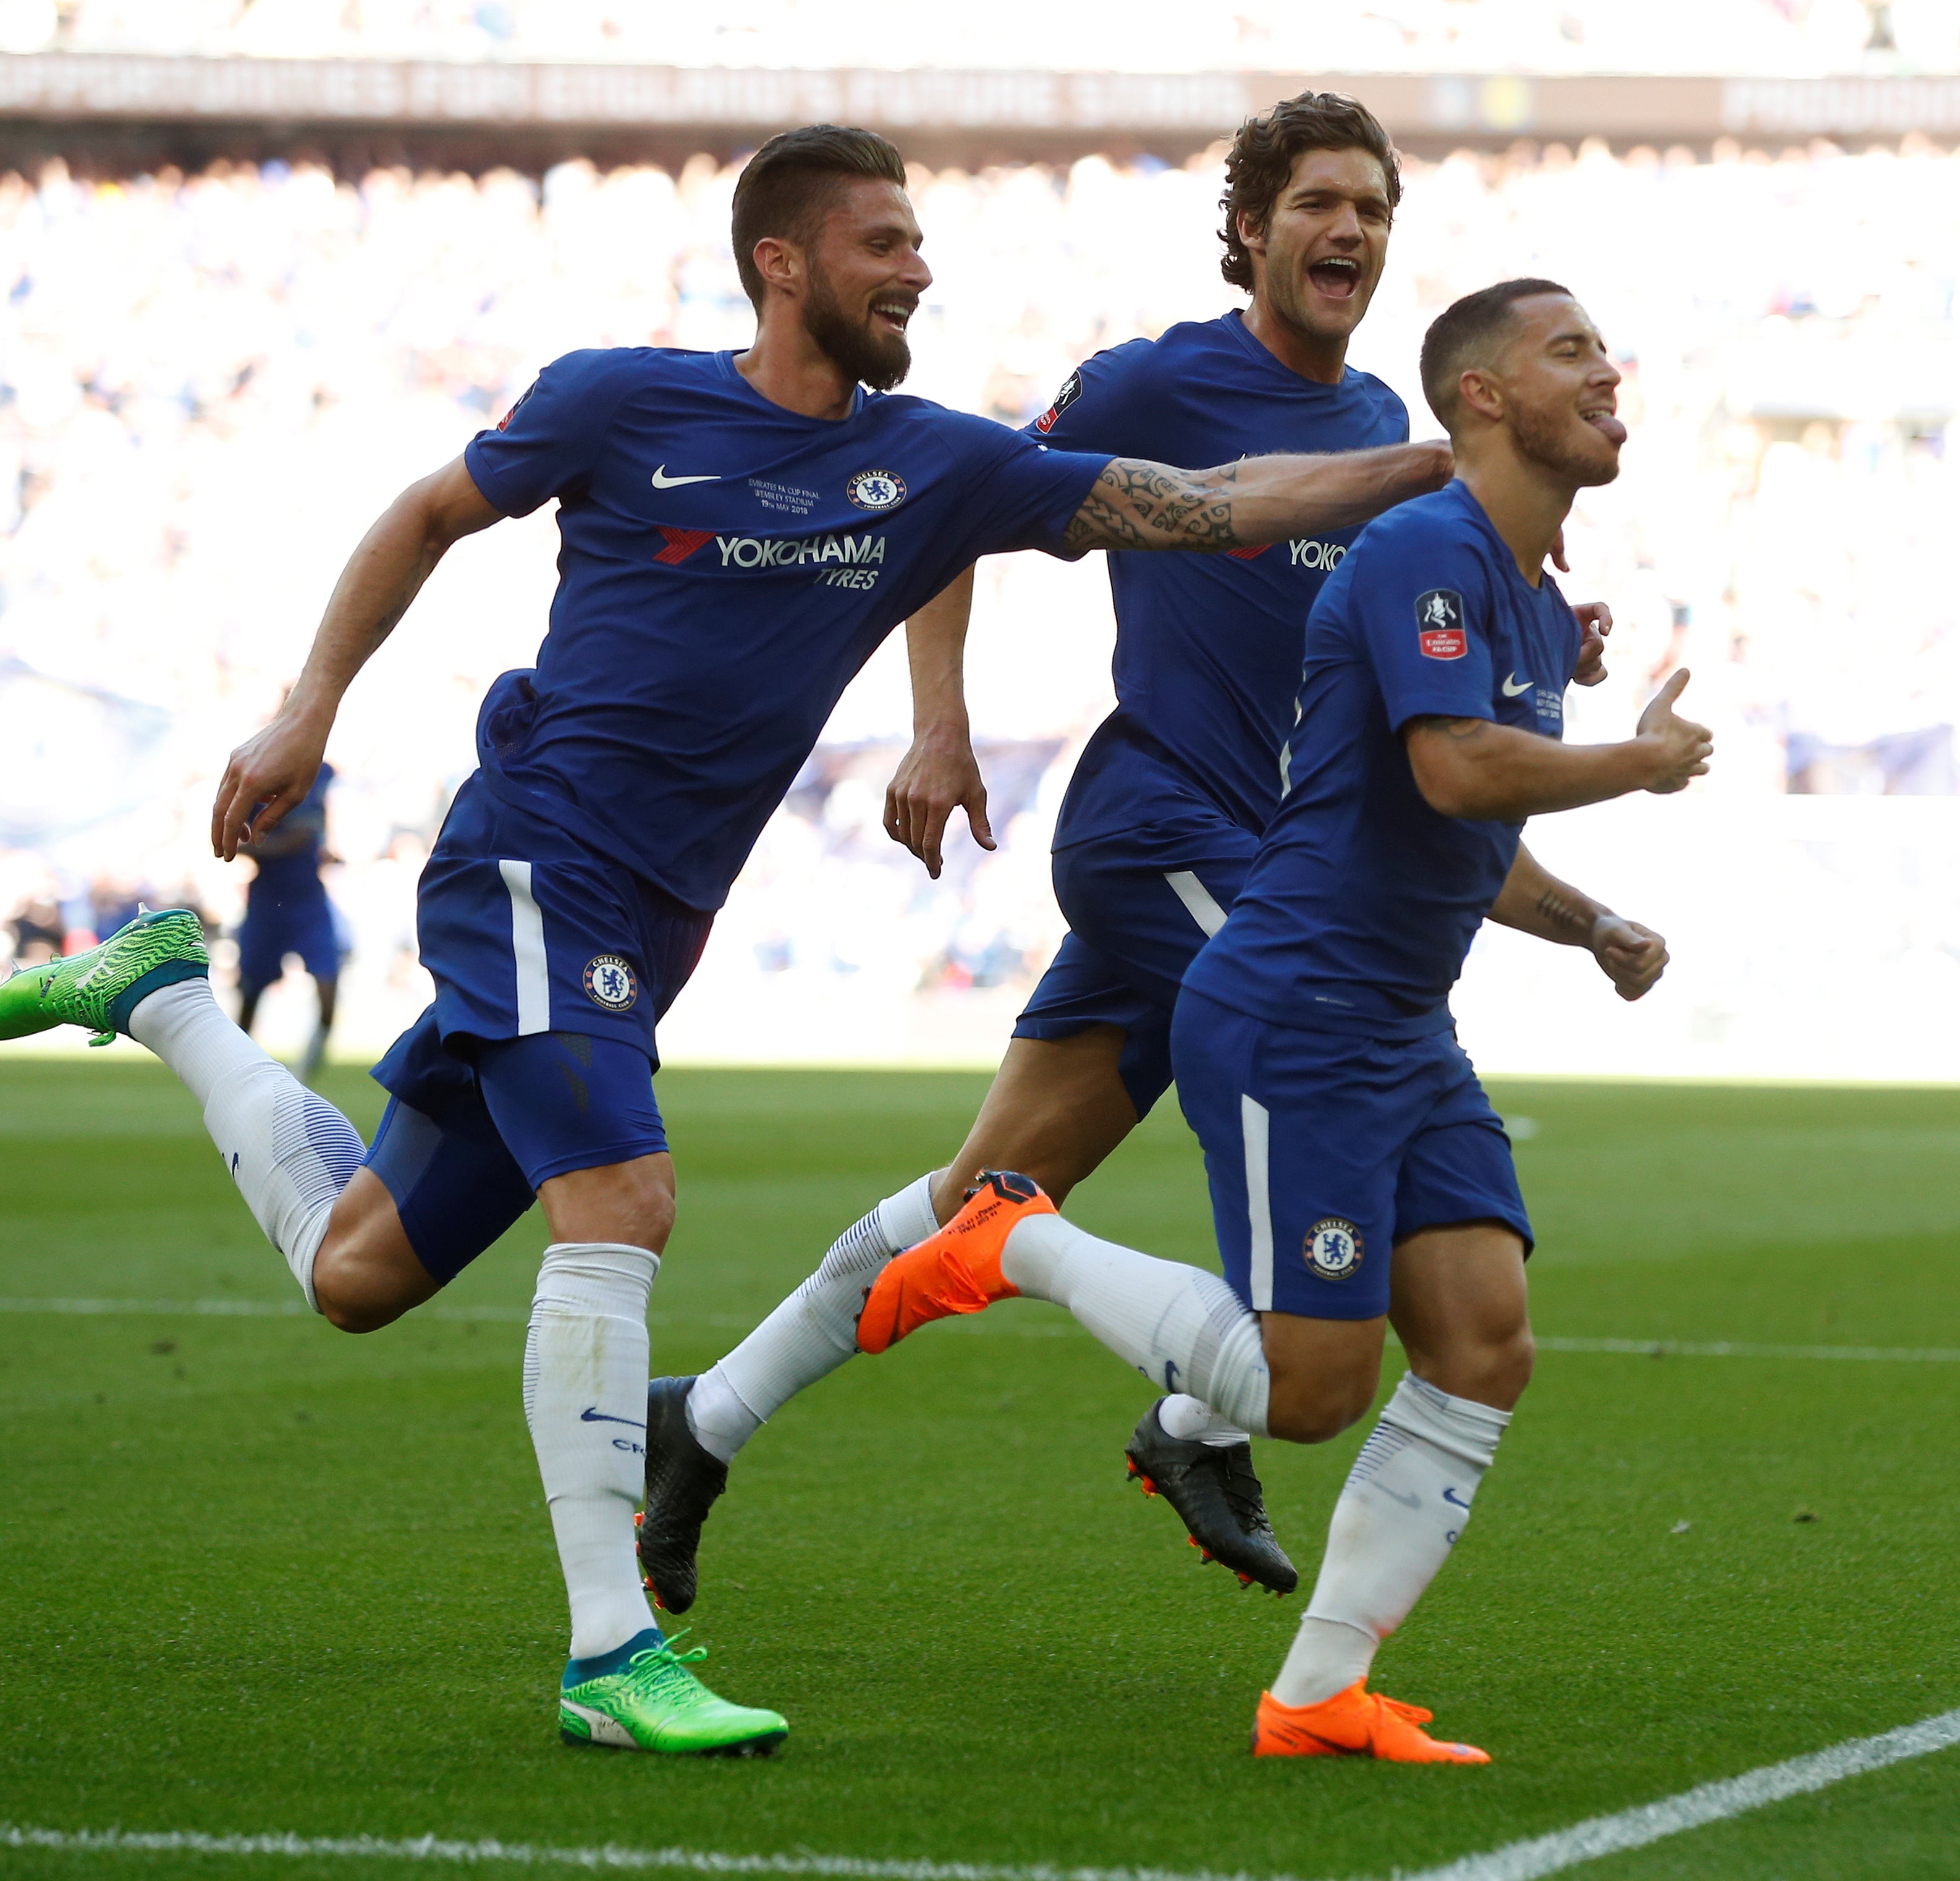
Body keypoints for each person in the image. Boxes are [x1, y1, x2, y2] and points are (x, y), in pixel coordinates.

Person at [0, 123, 1451, 1760]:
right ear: (784, 261)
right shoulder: (622, 397)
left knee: (361, 1269)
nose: (920, 269)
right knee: (624, 1202)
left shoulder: (937, 460)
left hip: (652, 920)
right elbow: (425, 511)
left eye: (920, 243)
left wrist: (1440, 466)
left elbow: (1205, 506)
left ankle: (167, 996)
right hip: (534, 858)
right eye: (886, 243)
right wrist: (309, 702)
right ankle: (612, 1652)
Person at [641, 93, 1621, 1618]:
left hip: (1270, 855)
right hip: (1165, 828)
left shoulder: (1381, 430)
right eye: (1315, 204)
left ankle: (698, 1419)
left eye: (1369, 208)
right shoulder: (1159, 383)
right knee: (1336, 1063)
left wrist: (1538, 631)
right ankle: (1202, 1416)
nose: (1346, 229)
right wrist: (938, 723)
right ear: (1249, 227)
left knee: (980, 1190)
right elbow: (956, 507)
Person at [853, 279, 1711, 1763]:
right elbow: (1453, 766)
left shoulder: (1513, 589)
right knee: (1310, 1390)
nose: (1608, 367)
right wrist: (1636, 760)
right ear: (1483, 398)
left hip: (1397, 1018)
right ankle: (1009, 1234)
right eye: (1572, 348)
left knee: (1483, 1340)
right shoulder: (1422, 549)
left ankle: (1315, 1694)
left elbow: (1462, 823)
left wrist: (1591, 925)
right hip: (1301, 1005)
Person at [232, 756, 344, 1076]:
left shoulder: (323, 772)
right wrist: (279, 846)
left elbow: (319, 825)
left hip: (308, 895)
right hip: (269, 900)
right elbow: (232, 841)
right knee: (250, 994)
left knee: (328, 992)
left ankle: (303, 1079)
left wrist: (322, 848)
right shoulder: (256, 771)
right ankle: (237, 1070)